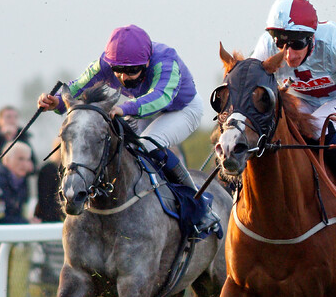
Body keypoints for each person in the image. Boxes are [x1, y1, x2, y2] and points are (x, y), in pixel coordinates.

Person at [36, 24, 218, 234]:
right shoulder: (104, 63)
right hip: (141, 109)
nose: (123, 77)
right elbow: (77, 86)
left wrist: (125, 107)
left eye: (131, 71)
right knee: (122, 145)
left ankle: (200, 206)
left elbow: (161, 97)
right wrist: (56, 102)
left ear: (147, 61)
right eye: (118, 70)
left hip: (182, 109)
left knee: (149, 144)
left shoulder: (166, 61)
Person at [250, 0, 336, 222]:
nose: (289, 55)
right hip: (301, 98)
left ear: (311, 37)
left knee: (315, 125)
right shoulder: (265, 45)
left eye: (297, 44)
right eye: (281, 44)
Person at [0, 142, 35, 297]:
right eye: (20, 159)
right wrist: (27, 223)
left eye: (27, 159)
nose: (25, 164)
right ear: (6, 160)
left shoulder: (19, 182)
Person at [0, 106, 37, 170]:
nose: (12, 120)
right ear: (0, 120)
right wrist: (1, 134)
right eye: (8, 117)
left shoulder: (23, 136)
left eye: (15, 117)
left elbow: (33, 161)